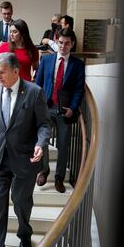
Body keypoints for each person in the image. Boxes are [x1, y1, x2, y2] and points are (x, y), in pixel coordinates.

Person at [0, 52, 51, 247]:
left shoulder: (34, 92)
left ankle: (24, 232)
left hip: (24, 159)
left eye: (2, 72)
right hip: (1, 159)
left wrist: (41, 143)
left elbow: (44, 124)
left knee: (20, 202)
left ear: (15, 71)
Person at [35, 28, 85, 193]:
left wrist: (73, 108)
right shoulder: (47, 60)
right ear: (56, 41)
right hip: (46, 107)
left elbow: (79, 90)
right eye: (61, 42)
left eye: (67, 43)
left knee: (63, 145)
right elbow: (38, 84)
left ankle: (59, 178)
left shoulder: (78, 65)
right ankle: (44, 170)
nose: (63, 46)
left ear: (72, 44)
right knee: (43, 141)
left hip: (64, 110)